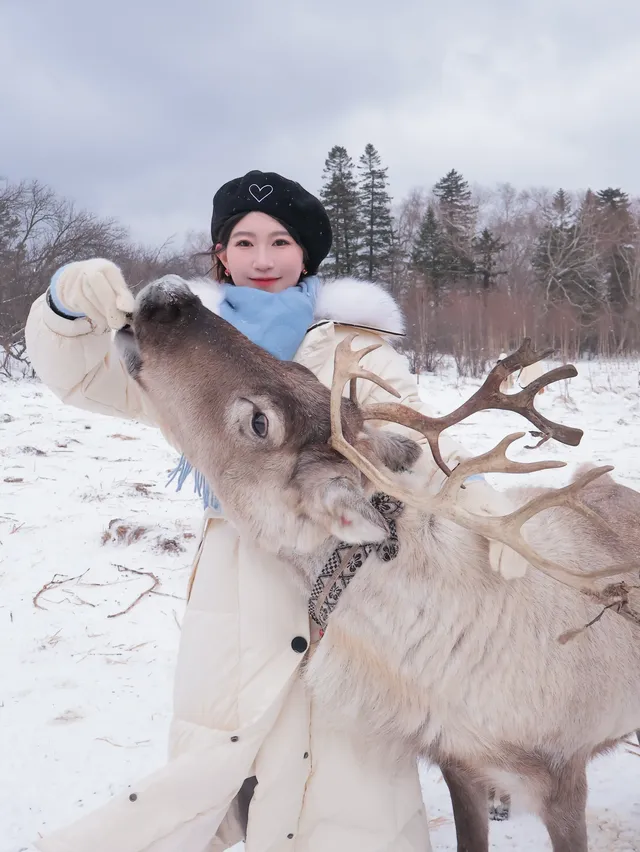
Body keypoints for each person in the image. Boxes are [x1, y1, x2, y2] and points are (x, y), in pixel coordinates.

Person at [25, 170, 517, 852]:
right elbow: (82, 377)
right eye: (243, 241)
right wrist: (64, 306)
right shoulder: (186, 347)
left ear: (307, 255)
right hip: (237, 579)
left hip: (355, 583)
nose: (261, 258)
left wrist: (478, 502)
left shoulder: (354, 347)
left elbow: (418, 441)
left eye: (280, 241)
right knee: (229, 755)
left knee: (354, 771)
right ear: (220, 253)